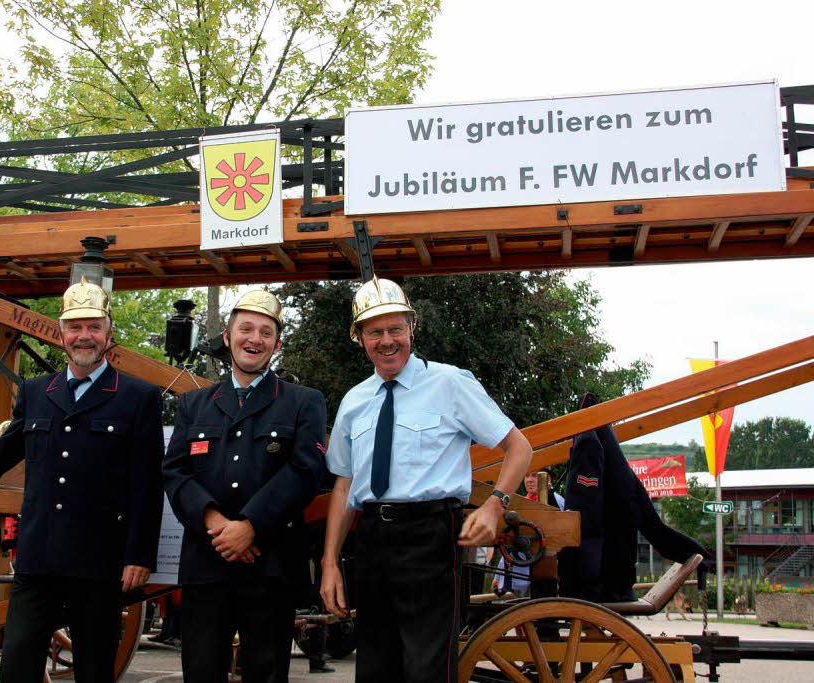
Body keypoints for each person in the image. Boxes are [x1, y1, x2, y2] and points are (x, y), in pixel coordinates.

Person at [0, 278, 164, 683]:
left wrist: (139, 556)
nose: (84, 336)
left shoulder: (137, 397)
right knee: (17, 670)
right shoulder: (37, 392)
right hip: (38, 562)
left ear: (109, 333)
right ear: (61, 335)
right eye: (75, 327)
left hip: (101, 563)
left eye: (93, 326)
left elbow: (146, 485)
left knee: (94, 672)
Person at [319, 277, 533, 683]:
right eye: (375, 331)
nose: (387, 341)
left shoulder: (451, 383)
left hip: (431, 538)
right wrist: (330, 561)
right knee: (376, 669)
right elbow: (344, 487)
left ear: (411, 329)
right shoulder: (353, 402)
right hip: (370, 544)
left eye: (396, 329)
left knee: (427, 670)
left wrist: (495, 505)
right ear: (359, 338)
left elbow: (519, 448)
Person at [162, 290, 328, 683]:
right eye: (246, 329)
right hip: (206, 563)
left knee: (267, 674)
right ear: (227, 336)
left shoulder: (304, 402)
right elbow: (174, 472)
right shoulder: (193, 405)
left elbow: (305, 470)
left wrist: (250, 526)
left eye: (266, 332)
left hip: (270, 566)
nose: (254, 339)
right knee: (201, 673)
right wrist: (216, 522)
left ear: (277, 344)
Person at [493, 469, 564, 595]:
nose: (529, 480)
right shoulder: (519, 504)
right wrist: (499, 577)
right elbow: (509, 541)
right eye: (526, 476)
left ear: (548, 480)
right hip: (519, 572)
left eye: (535, 476)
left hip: (544, 572)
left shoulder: (557, 502)